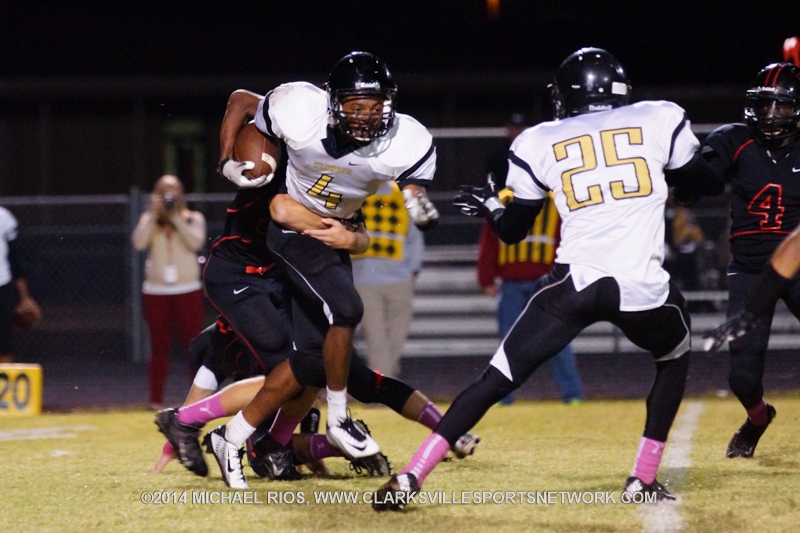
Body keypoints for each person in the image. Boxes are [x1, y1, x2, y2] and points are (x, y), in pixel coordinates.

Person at [373, 47, 725, 510]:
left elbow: (513, 231)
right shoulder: (659, 118)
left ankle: (412, 475)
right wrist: (712, 160)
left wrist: (491, 206)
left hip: (574, 284)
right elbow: (705, 182)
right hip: (642, 287)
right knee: (674, 356)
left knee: (496, 378)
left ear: (567, 95)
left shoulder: (539, 140)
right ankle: (642, 477)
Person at [213, 51, 440, 467]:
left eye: (375, 106)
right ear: (333, 102)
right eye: (356, 106)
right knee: (347, 308)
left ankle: (239, 438)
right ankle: (338, 418)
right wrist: (228, 159)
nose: (367, 117)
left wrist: (414, 201)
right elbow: (243, 102)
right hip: (293, 229)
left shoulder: (404, 139)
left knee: (310, 361)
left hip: (335, 233)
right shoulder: (300, 110)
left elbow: (412, 186)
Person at [700, 62, 800, 459]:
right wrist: (689, 181)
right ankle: (758, 419)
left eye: (781, 107)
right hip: (749, 269)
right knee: (741, 377)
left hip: (797, 266)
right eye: (764, 106)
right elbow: (703, 179)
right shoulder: (734, 140)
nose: (771, 116)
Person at [479, 114, 584, 405]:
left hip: (544, 280)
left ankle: (571, 394)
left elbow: (566, 238)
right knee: (513, 342)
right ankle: (507, 397)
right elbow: (489, 240)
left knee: (554, 339)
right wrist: (486, 277)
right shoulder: (508, 199)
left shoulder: (555, 201)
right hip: (516, 282)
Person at [131, 175, 207, 409]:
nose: (169, 195)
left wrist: (176, 218)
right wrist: (154, 214)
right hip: (156, 291)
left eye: (174, 190)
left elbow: (195, 243)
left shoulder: (193, 218)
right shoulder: (149, 219)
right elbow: (138, 243)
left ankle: (198, 399)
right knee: (158, 347)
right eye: (164, 191)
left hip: (188, 289)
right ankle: (155, 400)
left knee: (193, 346)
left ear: (181, 194)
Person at [352, 180, 425, 378]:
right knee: (376, 339)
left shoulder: (402, 196)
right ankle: (384, 384)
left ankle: (384, 380)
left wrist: (412, 271)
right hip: (364, 280)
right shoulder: (356, 194)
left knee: (397, 336)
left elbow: (414, 236)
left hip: (399, 279)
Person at [0, 206, 41, 364]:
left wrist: (24, 298)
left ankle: (2, 379)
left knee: (3, 344)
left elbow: (15, 258)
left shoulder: (3, 216)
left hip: (1, 284)